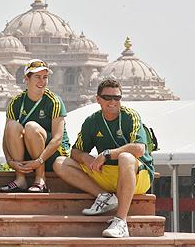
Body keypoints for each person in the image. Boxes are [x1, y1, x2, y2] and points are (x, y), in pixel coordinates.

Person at [53, 78, 154, 238]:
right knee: (60, 163)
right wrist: (87, 158)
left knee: (126, 157)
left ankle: (121, 221)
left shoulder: (130, 116)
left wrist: (107, 154)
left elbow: (140, 149)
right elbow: (75, 151)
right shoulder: (92, 121)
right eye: (108, 98)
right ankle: (105, 197)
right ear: (98, 99)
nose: (113, 102)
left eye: (117, 98)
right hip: (107, 175)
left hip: (137, 176)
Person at [0, 59, 70, 193]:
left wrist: (39, 160)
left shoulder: (54, 100)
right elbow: (6, 136)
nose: (42, 81)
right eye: (37, 77)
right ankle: (20, 179)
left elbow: (58, 139)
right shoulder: (16, 102)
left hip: (52, 155)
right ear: (27, 78)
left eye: (45, 77)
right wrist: (9, 161)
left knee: (31, 127)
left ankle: (40, 179)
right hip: (29, 156)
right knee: (12, 126)